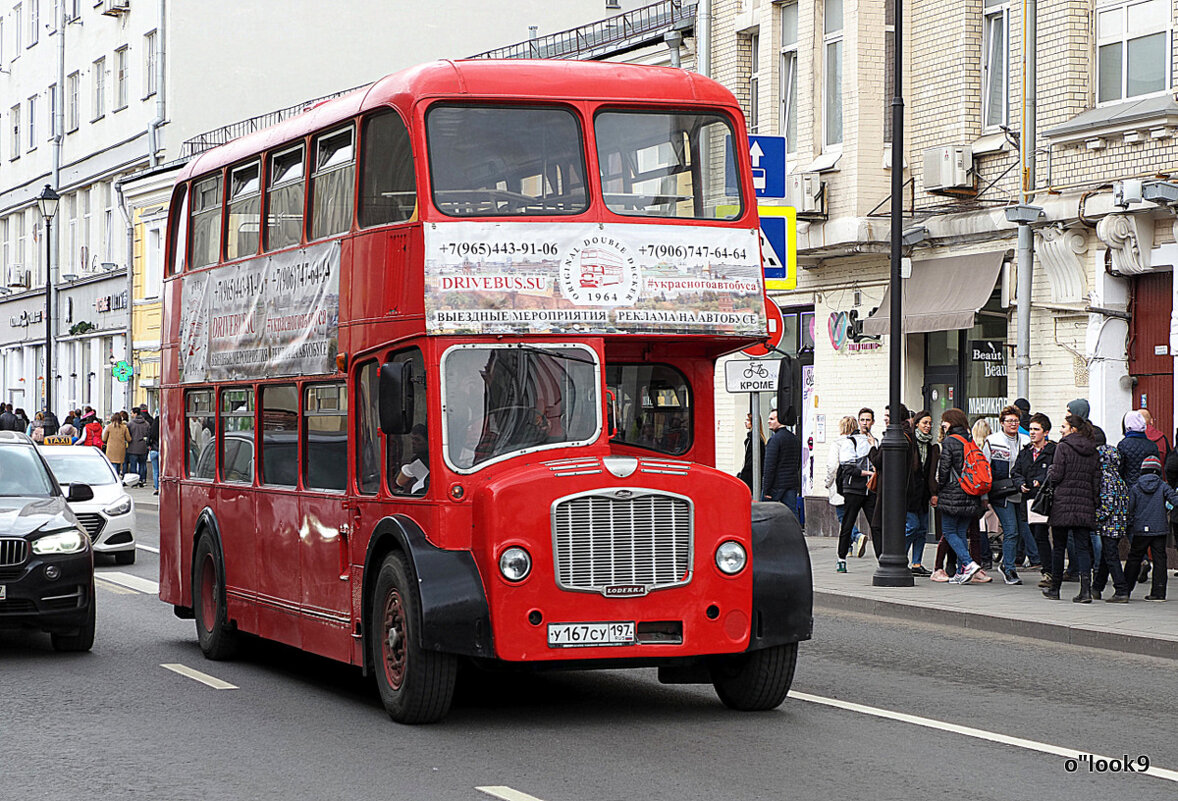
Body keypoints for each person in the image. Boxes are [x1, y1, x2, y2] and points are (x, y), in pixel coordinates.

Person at [1043, 414, 1100, 603]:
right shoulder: (1093, 450)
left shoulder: (1063, 447)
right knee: (1083, 547)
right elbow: (1096, 481)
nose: (1061, 430)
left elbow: (1057, 476)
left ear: (1073, 429)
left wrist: (1050, 471)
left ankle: (1055, 588)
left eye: (1063, 426)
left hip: (1063, 503)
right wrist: (1094, 503)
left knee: (1059, 547)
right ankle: (1085, 590)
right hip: (1085, 504)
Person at [983, 405, 1035, 584]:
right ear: (1002, 423)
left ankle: (1013, 563)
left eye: (1016, 421)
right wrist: (985, 495)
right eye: (1009, 421)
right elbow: (985, 468)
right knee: (1011, 530)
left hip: (1021, 492)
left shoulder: (1026, 440)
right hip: (1001, 492)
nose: (1013, 424)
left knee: (1022, 530)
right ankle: (1009, 568)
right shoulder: (993, 440)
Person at [934, 408, 984, 584]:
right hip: (971, 492)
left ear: (951, 422)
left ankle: (969, 563)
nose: (942, 424)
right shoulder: (969, 439)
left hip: (953, 492)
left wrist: (939, 488)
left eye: (944, 421)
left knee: (948, 530)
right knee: (961, 531)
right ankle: (963, 571)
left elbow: (944, 469)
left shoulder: (950, 441)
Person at [867, 403, 918, 561]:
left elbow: (878, 460)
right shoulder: (908, 435)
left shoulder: (896, 436)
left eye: (888, 416)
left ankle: (887, 557)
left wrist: (872, 447)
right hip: (901, 488)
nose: (885, 419)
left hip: (890, 490)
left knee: (879, 526)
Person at [1012, 413, 1057, 588]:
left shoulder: (1053, 451)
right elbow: (1016, 472)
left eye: (1036, 430)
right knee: (1036, 535)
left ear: (1045, 432)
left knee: (1042, 535)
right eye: (1030, 429)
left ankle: (1050, 571)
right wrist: (1020, 484)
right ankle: (1050, 569)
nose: (1032, 433)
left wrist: (1041, 481)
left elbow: (1055, 471)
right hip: (1030, 501)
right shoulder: (1025, 452)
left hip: (1047, 500)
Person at [1123, 455, 1175, 601]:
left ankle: (1125, 589)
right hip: (1159, 528)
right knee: (1160, 559)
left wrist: (1129, 522)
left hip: (1140, 529)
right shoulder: (1163, 486)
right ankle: (1158, 592)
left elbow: (1130, 509)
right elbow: (1175, 500)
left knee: (1134, 557)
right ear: (1157, 471)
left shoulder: (1136, 487)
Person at [1090, 427, 1130, 603]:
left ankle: (1121, 589)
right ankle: (1097, 588)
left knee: (1111, 557)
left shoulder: (1105, 478)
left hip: (1109, 524)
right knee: (1108, 556)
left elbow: (1106, 505)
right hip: (1119, 523)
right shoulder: (1118, 478)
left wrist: (1096, 517)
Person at [835, 412, 876, 572]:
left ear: (873, 422)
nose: (865, 423)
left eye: (868, 420)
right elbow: (848, 468)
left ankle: (881, 558)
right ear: (858, 422)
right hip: (854, 489)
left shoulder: (875, 441)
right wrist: (868, 473)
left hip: (870, 489)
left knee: (876, 525)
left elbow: (877, 461)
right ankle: (841, 558)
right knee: (848, 522)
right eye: (863, 420)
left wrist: (873, 447)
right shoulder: (850, 441)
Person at [826, 416, 865, 556]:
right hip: (857, 485)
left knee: (843, 516)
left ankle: (857, 536)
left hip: (841, 484)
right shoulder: (861, 441)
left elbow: (832, 466)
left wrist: (827, 482)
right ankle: (848, 548)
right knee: (849, 514)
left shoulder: (838, 443)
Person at [909, 410, 938, 576]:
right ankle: (899, 557)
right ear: (917, 424)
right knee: (912, 526)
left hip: (923, 495)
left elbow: (930, 473)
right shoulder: (910, 442)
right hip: (910, 494)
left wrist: (933, 493)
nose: (927, 426)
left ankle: (916, 563)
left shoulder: (930, 445)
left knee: (922, 530)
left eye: (929, 423)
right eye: (924, 423)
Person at [761, 408, 801, 510]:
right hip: (791, 483)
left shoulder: (774, 440)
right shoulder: (794, 439)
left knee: (766, 513)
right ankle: (794, 527)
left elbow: (769, 466)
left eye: (772, 419)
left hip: (776, 485)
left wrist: (766, 489)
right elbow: (798, 462)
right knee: (791, 513)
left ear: (780, 420)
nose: (768, 421)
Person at [1118, 411, 1159, 489]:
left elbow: (1120, 470)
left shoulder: (1123, 445)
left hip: (1131, 489)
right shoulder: (1152, 445)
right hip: (1150, 489)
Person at [395, 423, 430, 495]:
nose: (413, 443)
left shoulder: (427, 461)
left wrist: (407, 469)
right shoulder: (416, 458)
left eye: (418, 440)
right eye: (413, 439)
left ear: (428, 442)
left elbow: (399, 482)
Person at [736, 412, 766, 495]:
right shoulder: (752, 438)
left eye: (747, 420)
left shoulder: (754, 439)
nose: (745, 422)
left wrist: (743, 475)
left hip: (750, 477)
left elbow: (750, 460)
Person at [126, 409, 150, 483]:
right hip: (143, 446)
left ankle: (134, 481)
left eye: (132, 413)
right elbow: (148, 434)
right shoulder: (146, 423)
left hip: (133, 447)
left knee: (133, 465)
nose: (131, 415)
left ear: (135, 414)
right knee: (142, 464)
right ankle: (142, 479)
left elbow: (128, 436)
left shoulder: (130, 424)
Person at [146, 411, 161, 495]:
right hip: (162, 451)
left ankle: (157, 488)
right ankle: (162, 486)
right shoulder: (163, 430)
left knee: (155, 471)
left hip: (153, 451)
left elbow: (147, 441)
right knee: (162, 470)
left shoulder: (152, 430)